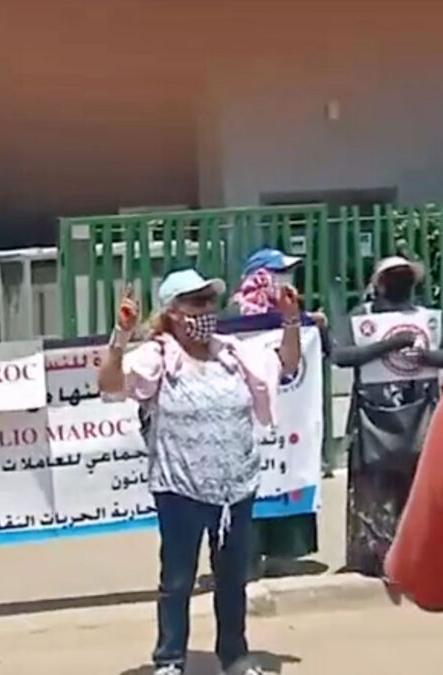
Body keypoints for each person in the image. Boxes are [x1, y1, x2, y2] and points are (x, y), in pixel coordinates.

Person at [98, 268, 301, 675]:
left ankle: (235, 657)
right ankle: (170, 659)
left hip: (235, 488)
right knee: (177, 581)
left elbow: (288, 363)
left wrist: (291, 321)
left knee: (232, 580)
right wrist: (121, 337)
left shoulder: (234, 353)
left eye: (210, 300)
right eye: (196, 302)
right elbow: (110, 384)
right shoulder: (157, 356)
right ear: (173, 312)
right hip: (180, 490)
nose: (206, 309)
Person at [332, 256, 443, 577]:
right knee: (373, 490)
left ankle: (421, 559)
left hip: (421, 412)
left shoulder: (429, 319)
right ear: (377, 284)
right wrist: (390, 344)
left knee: (417, 490)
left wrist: (426, 356)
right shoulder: (360, 318)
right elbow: (342, 355)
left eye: (404, 276)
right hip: (372, 416)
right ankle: (374, 560)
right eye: (392, 276)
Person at [229, 248, 323, 579]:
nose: (286, 281)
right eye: (278, 273)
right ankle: (245, 558)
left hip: (283, 429)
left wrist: (299, 320)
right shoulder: (234, 322)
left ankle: (281, 551)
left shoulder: (294, 317)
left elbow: (292, 362)